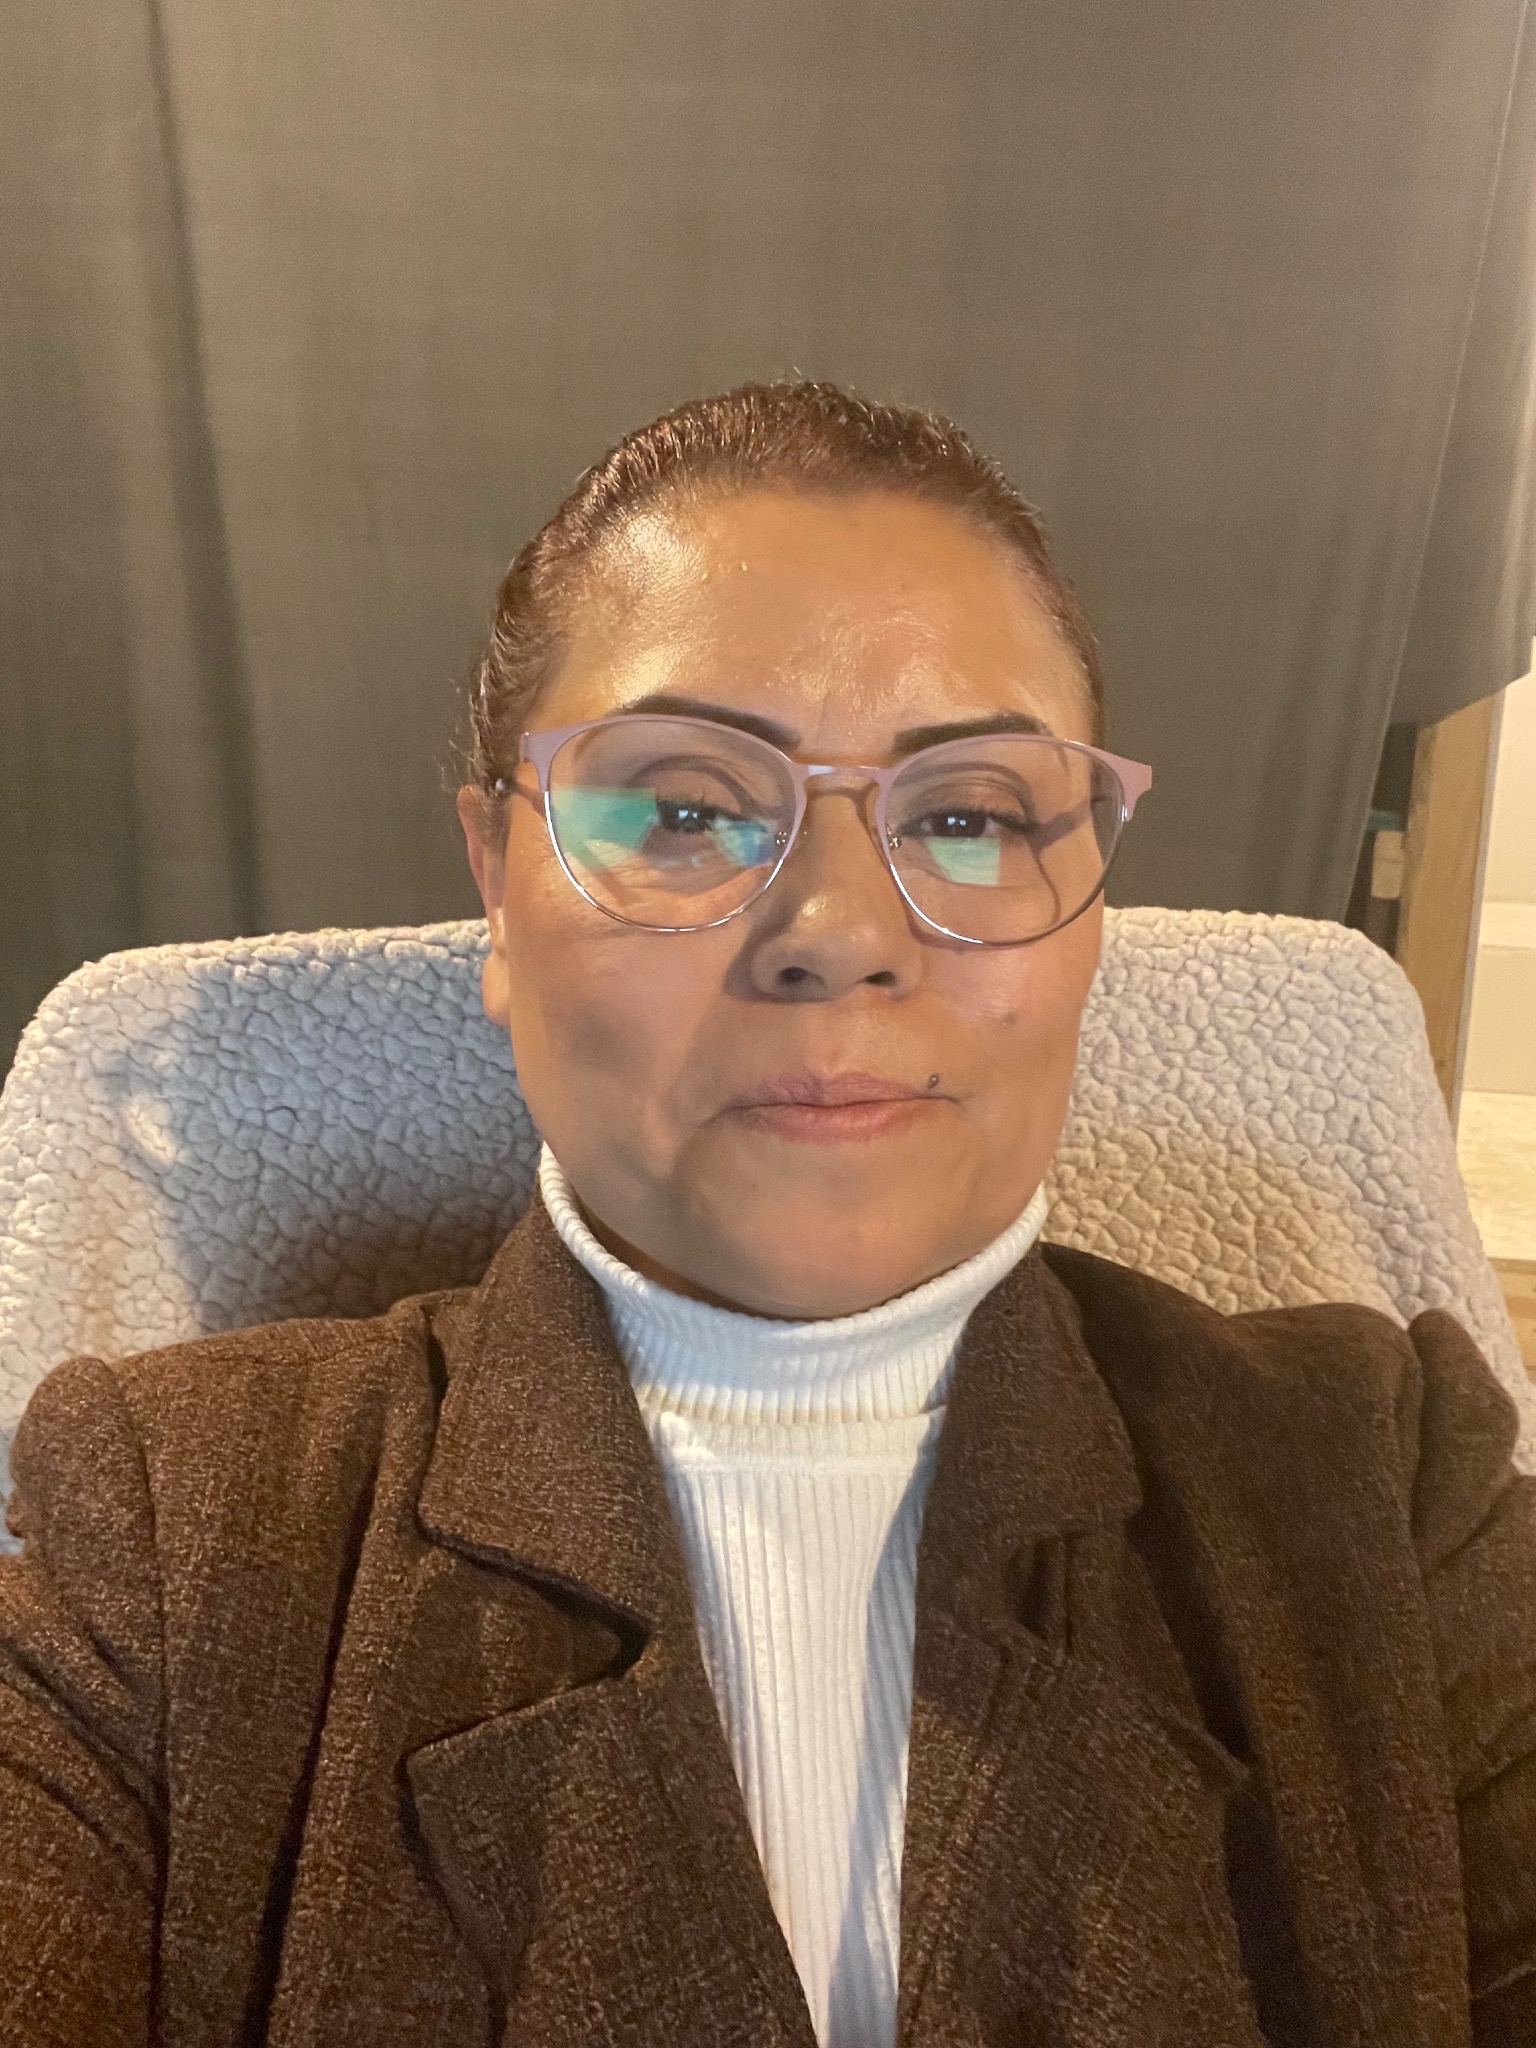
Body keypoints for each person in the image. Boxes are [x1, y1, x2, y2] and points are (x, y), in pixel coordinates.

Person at [1, 381, 1532, 2048]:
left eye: (969, 815)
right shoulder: (173, 1537)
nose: (840, 932)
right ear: (498, 891)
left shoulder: (1381, 1480)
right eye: (683, 809)